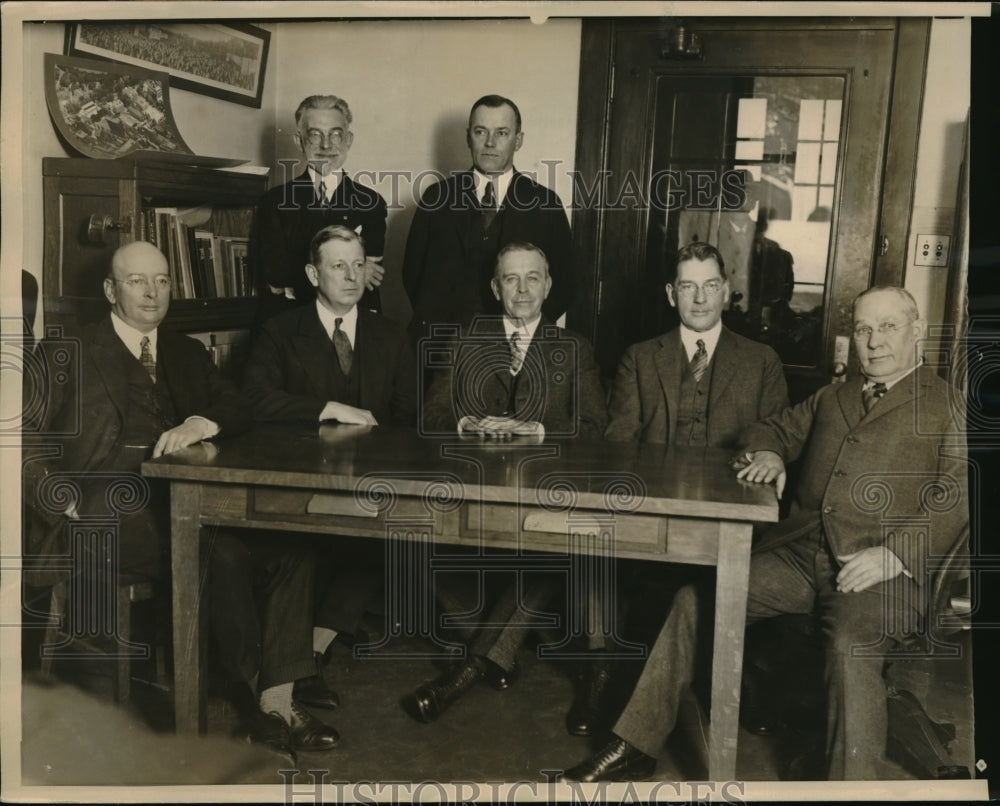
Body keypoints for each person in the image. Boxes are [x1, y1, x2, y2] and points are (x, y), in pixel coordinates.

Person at [562, 286, 967, 781]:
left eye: (888, 327)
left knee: (850, 647)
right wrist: (771, 452)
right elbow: (766, 430)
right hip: (800, 557)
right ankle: (636, 743)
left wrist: (894, 555)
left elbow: (962, 493)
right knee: (695, 600)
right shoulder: (835, 394)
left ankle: (850, 789)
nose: (874, 341)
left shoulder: (946, 403)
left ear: (917, 332)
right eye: (863, 329)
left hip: (881, 573)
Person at [22, 241, 338, 763]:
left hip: (184, 500)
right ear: (110, 290)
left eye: (163, 280)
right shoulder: (67, 349)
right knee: (224, 556)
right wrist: (62, 498)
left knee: (289, 549)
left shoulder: (186, 351)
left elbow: (237, 404)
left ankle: (275, 700)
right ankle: (252, 707)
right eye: (137, 281)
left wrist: (201, 422)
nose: (153, 292)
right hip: (99, 513)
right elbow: (20, 436)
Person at [562, 242, 788, 738]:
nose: (700, 298)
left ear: (727, 292)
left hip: (727, 520)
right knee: (591, 542)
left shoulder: (762, 361)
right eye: (688, 286)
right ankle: (601, 674)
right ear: (671, 294)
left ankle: (715, 682)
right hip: (650, 515)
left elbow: (773, 435)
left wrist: (760, 454)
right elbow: (618, 443)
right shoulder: (641, 358)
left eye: (710, 286)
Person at [402, 241, 607, 723]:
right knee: (409, 536)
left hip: (546, 498)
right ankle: (499, 646)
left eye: (533, 277)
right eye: (511, 279)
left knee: (553, 553)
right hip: (474, 497)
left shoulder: (573, 347)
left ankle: (471, 668)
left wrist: (535, 429)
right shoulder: (468, 339)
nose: (522, 289)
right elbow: (430, 413)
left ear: (549, 285)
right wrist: (467, 422)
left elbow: (596, 425)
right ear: (495, 288)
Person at [243, 224, 417, 709]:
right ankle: (297, 667)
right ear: (311, 272)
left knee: (380, 540)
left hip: (369, 482)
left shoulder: (390, 334)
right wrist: (325, 409)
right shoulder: (280, 331)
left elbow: (407, 418)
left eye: (359, 265)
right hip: (298, 480)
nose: (351, 275)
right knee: (298, 550)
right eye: (338, 265)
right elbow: (253, 400)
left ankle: (309, 654)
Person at [402, 94, 573, 344]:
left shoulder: (545, 204)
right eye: (481, 132)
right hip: (439, 349)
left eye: (502, 133)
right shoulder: (436, 197)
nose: (490, 143)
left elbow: (564, 282)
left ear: (518, 140)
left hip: (515, 349)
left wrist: (525, 332)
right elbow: (412, 273)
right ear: (468, 137)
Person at [249, 94, 387, 324]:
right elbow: (274, 274)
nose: (325, 145)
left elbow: (369, 279)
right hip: (292, 325)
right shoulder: (274, 202)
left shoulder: (371, 203)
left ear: (348, 140)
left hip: (355, 325)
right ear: (299, 141)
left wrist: (296, 280)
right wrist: (347, 270)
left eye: (335, 134)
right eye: (315, 135)